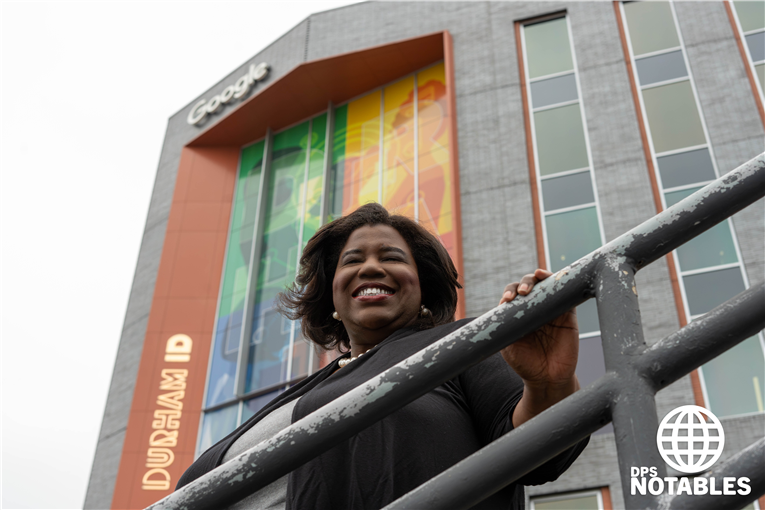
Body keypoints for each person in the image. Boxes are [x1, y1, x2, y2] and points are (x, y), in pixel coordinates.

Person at [177, 203, 588, 509]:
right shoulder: (297, 396)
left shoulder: (460, 343)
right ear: (333, 296)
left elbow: (541, 453)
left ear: (422, 287)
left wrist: (548, 383)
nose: (370, 268)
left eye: (390, 257)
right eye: (352, 261)